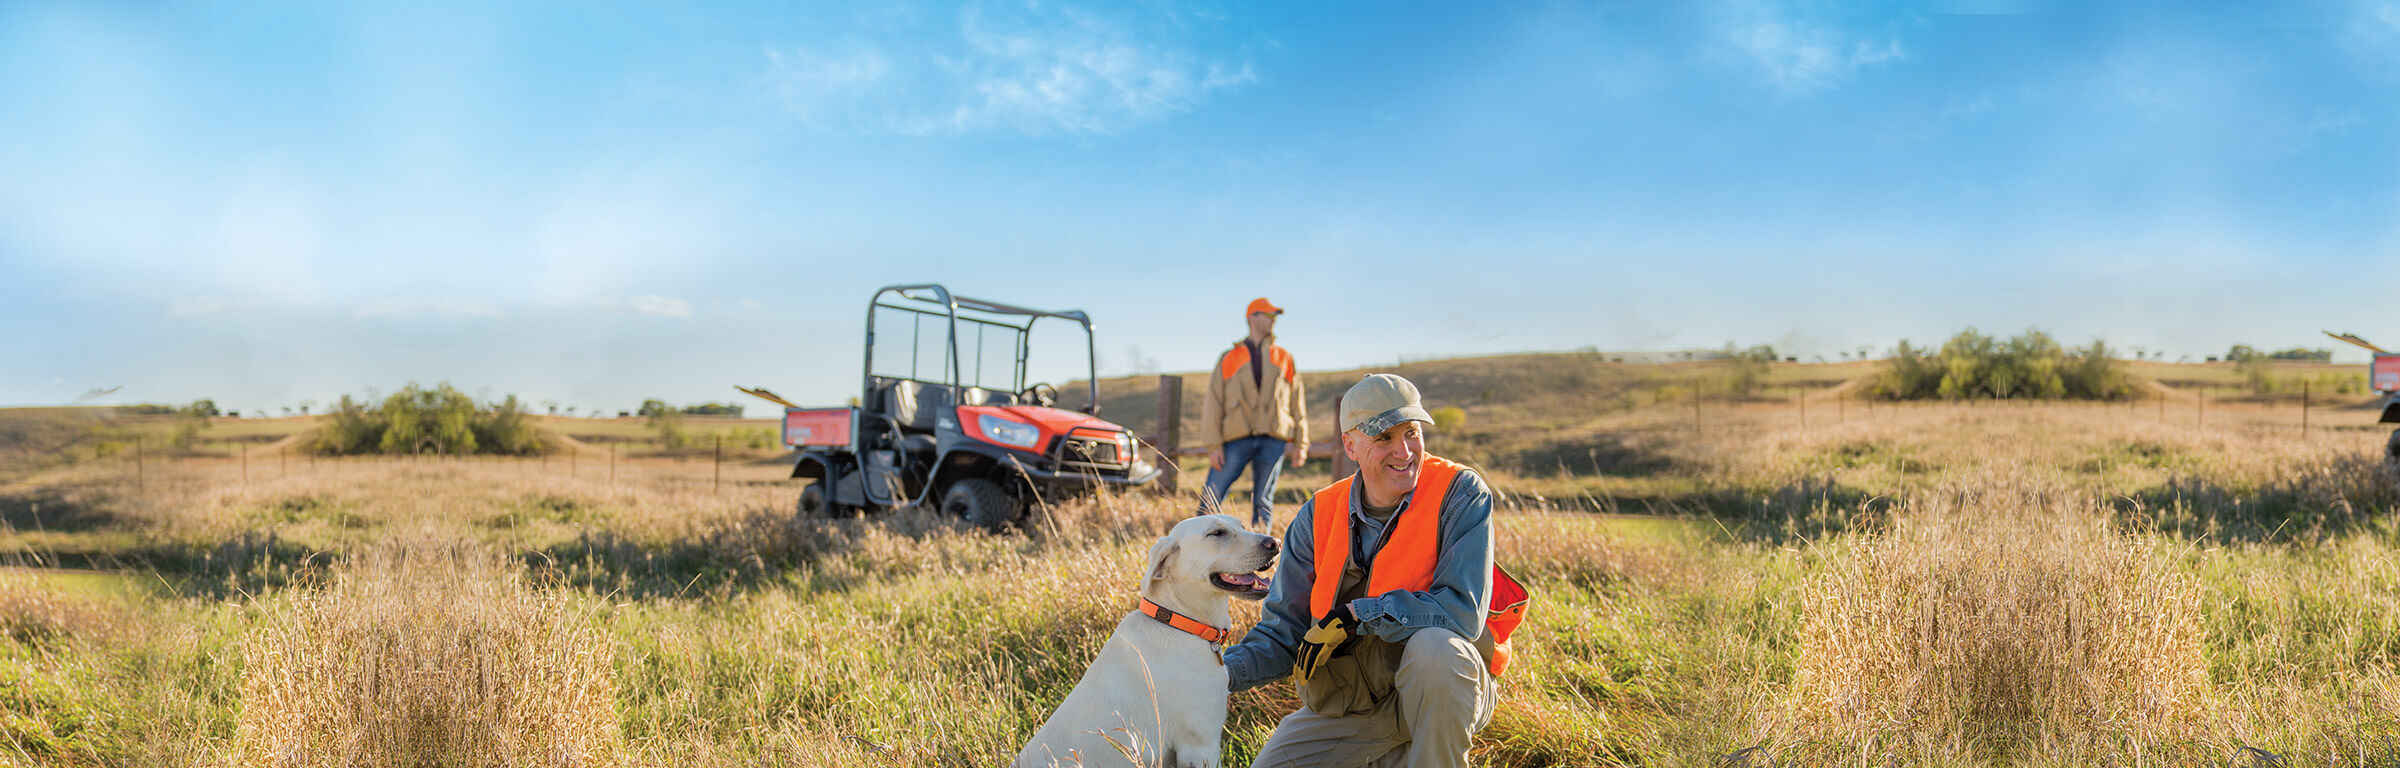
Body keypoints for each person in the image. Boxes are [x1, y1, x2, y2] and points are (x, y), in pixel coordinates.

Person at [1224, 373, 1506, 768]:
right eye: (1384, 437)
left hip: (1441, 693)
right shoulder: (1317, 515)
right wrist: (1216, 673)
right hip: (1356, 707)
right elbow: (1282, 633)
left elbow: (1463, 613)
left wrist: (1361, 614)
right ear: (1350, 446)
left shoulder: (1460, 493)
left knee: (1435, 651)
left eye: (1411, 432)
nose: (1404, 451)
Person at [1197, 297, 1309, 528]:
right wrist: (1213, 444)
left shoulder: (1284, 357)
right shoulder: (1229, 357)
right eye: (1267, 315)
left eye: (1273, 316)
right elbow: (1214, 402)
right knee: (1212, 495)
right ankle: (1197, 542)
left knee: (1263, 502)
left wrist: (1301, 443)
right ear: (1251, 318)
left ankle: (1261, 556)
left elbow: (1297, 401)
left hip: (1273, 439)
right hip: (1235, 439)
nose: (1272, 320)